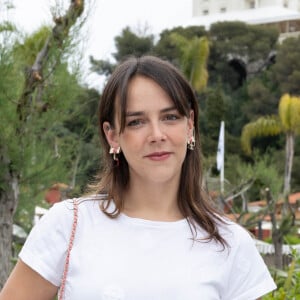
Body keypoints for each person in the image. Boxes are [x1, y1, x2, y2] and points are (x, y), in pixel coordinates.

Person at [0, 55, 276, 300]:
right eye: (136, 122)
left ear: (190, 124)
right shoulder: (67, 225)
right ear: (112, 135)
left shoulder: (229, 242)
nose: (157, 135)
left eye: (170, 117)